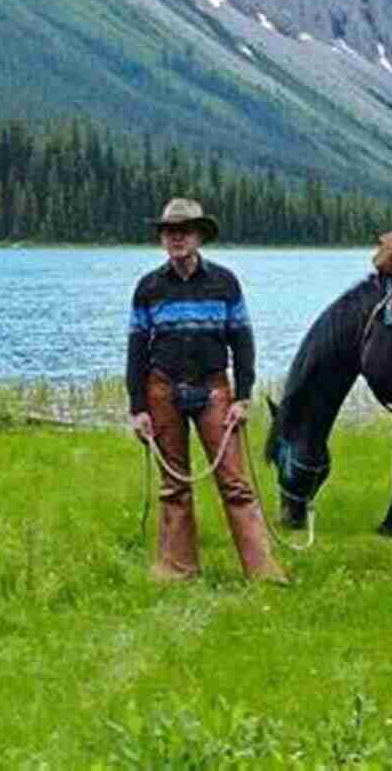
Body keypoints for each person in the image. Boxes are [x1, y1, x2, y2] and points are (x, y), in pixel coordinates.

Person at [126, 198, 286, 583]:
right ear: (162, 239)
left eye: (184, 231)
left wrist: (243, 396)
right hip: (162, 389)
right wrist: (138, 408)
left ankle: (263, 571)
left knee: (235, 482)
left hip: (215, 390)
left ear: (199, 236)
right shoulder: (147, 288)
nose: (176, 238)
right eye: (169, 232)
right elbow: (135, 351)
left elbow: (242, 342)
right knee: (174, 483)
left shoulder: (225, 283)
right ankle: (178, 569)